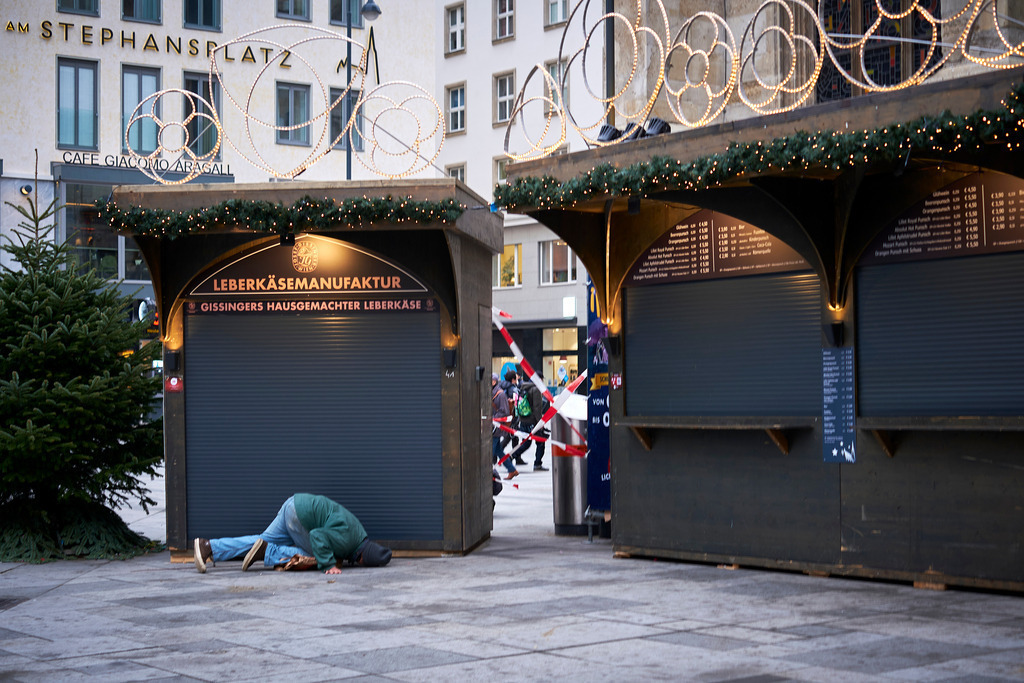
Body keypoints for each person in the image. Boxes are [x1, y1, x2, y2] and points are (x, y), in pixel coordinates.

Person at [192, 493, 392, 574]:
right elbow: (317, 536)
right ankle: (270, 553)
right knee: (315, 555)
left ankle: (208, 546)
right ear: (363, 558)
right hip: (300, 516)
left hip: (294, 505)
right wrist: (329, 564)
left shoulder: (358, 534)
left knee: (259, 541)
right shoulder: (348, 541)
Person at [508, 372, 549, 471]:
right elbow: (537, 408)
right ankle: (537, 464)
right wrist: (540, 423)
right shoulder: (536, 389)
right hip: (533, 422)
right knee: (540, 442)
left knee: (526, 443)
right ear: (539, 379)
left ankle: (511, 456)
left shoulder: (523, 387)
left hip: (523, 420)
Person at [491, 373, 519, 480]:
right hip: (494, 426)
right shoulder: (494, 392)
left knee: (491, 452)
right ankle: (512, 470)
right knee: (498, 451)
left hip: (496, 428)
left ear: (494, 381)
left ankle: (486, 472)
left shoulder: (500, 394)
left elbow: (504, 411)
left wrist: (493, 419)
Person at [499, 369, 525, 464]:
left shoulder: (501, 386)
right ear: (513, 379)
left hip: (505, 415)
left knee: (514, 437)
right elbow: (518, 401)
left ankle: (517, 458)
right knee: (508, 437)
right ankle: (495, 455)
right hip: (513, 416)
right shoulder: (512, 389)